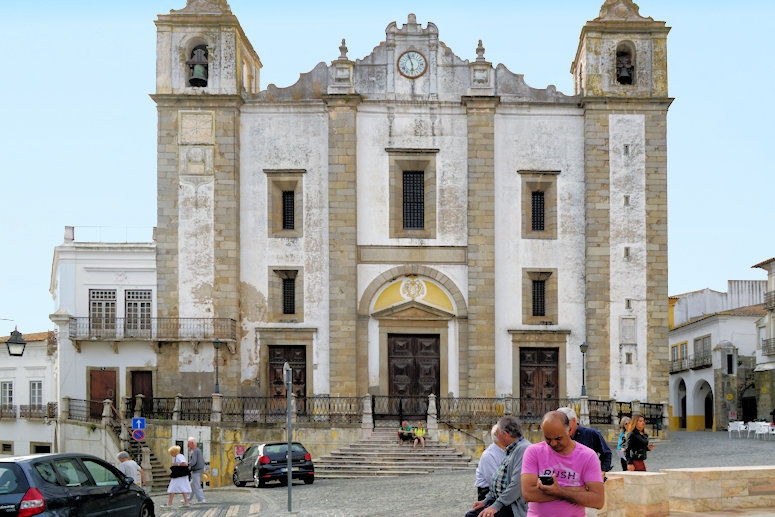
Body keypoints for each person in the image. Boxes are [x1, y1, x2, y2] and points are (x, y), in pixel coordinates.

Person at [521, 410, 605, 516]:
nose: (553, 443)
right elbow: (528, 494)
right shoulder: (533, 452)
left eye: (558, 438)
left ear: (570, 431)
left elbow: (597, 501)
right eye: (548, 438)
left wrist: (560, 491)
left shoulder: (588, 456)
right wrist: (576, 491)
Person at [465, 415, 530, 517]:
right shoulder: (512, 448)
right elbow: (500, 481)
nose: (496, 437)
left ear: (505, 435)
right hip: (502, 501)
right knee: (471, 514)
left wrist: (495, 506)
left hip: (513, 506)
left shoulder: (523, 449)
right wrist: (486, 501)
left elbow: (517, 484)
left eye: (497, 433)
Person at [556, 407, 613, 479]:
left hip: (587, 478)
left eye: (565, 424)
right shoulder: (557, 437)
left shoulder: (591, 434)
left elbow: (606, 453)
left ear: (573, 421)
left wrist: (602, 471)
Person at [475, 424, 507, 500]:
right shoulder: (488, 455)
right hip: (488, 491)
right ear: (500, 436)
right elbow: (493, 481)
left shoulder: (507, 451)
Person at [187, 437, 206, 504]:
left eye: (188, 443)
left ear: (192, 443)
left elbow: (193, 462)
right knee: (192, 485)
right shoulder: (198, 450)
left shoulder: (194, 451)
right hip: (199, 470)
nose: (187, 445)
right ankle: (188, 499)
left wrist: (187, 464)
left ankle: (201, 499)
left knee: (196, 485)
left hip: (196, 471)